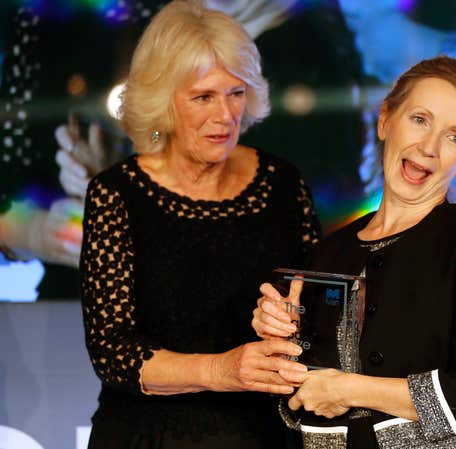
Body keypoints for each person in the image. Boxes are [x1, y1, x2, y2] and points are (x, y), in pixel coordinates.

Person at [252, 56, 456, 449]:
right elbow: (301, 397)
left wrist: (348, 390)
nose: (429, 147)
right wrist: (280, 337)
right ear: (385, 121)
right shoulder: (328, 253)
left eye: (455, 137)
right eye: (420, 119)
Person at [79, 1, 320, 447]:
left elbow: (319, 311)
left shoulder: (284, 183)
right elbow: (114, 355)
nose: (225, 116)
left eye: (236, 93)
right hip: (149, 436)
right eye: (203, 96)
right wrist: (224, 370)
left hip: (267, 435)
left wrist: (294, 323)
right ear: (163, 99)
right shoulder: (117, 194)